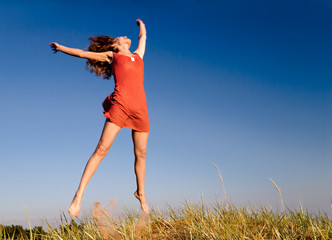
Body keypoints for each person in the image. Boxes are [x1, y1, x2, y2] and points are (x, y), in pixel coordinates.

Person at [50, 19, 149, 217]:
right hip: (121, 105)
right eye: (121, 37)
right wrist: (61, 48)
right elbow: (82, 53)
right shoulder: (112, 56)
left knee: (141, 153)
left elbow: (143, 37)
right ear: (115, 45)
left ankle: (141, 194)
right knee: (102, 149)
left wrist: (141, 25)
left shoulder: (138, 56)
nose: (125, 36)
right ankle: (78, 196)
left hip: (140, 109)